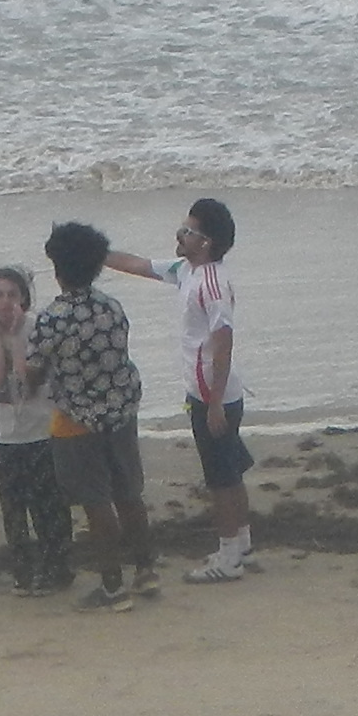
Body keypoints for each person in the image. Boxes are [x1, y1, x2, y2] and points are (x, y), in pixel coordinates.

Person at [104, 197, 252, 579]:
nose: (180, 235)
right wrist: (95, 252)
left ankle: (228, 555)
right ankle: (242, 542)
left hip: (213, 395)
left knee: (221, 478)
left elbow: (223, 341)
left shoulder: (213, 285)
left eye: (188, 231)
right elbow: (137, 265)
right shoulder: (184, 270)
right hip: (205, 391)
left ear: (205, 242)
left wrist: (215, 401)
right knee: (231, 468)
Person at [26, 219, 153, 608]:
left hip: (76, 420)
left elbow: (32, 374)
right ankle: (147, 570)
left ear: (59, 268)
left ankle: (112, 587)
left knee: (96, 502)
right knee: (129, 494)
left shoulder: (52, 319)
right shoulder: (111, 308)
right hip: (121, 411)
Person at [0, 264, 72, 593]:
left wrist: (17, 337)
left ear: (23, 298)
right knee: (12, 507)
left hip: (40, 430)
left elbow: (29, 381)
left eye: (11, 295)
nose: (4, 302)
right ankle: (23, 571)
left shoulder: (37, 328)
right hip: (1, 435)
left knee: (48, 505)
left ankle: (57, 567)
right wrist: (0, 336)